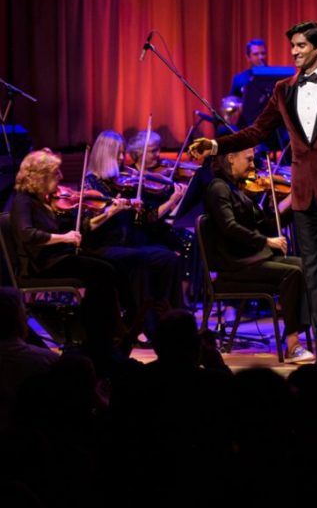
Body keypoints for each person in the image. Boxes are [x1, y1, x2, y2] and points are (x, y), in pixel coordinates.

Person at [189, 20, 317, 361]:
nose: (295, 52)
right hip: (304, 193)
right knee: (312, 271)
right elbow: (256, 131)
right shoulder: (282, 90)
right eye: (293, 46)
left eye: (301, 45)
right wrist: (216, 145)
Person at [10, 149, 124, 355]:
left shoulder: (42, 200)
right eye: (56, 173)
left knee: (108, 267)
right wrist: (64, 238)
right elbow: (27, 234)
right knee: (102, 271)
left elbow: (76, 228)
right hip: (41, 266)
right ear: (39, 177)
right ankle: (98, 336)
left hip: (57, 258)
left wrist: (106, 214)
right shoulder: (23, 201)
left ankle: (102, 333)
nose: (61, 177)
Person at [204, 147, 313, 363]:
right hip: (234, 265)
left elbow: (269, 224)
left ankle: (303, 331)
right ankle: (293, 345)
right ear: (231, 158)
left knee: (306, 266)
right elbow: (229, 227)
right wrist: (266, 241)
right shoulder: (218, 188)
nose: (254, 165)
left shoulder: (237, 189)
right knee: (292, 273)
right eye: (249, 159)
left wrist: (294, 199)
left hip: (251, 259)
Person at [82, 130, 186, 339]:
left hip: (128, 246)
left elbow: (149, 216)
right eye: (118, 154)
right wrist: (112, 210)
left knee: (168, 258)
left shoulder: (124, 181)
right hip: (102, 247)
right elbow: (85, 225)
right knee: (138, 259)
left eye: (123, 153)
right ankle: (145, 326)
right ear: (105, 155)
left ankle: (173, 321)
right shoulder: (91, 184)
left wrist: (173, 199)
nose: (123, 158)